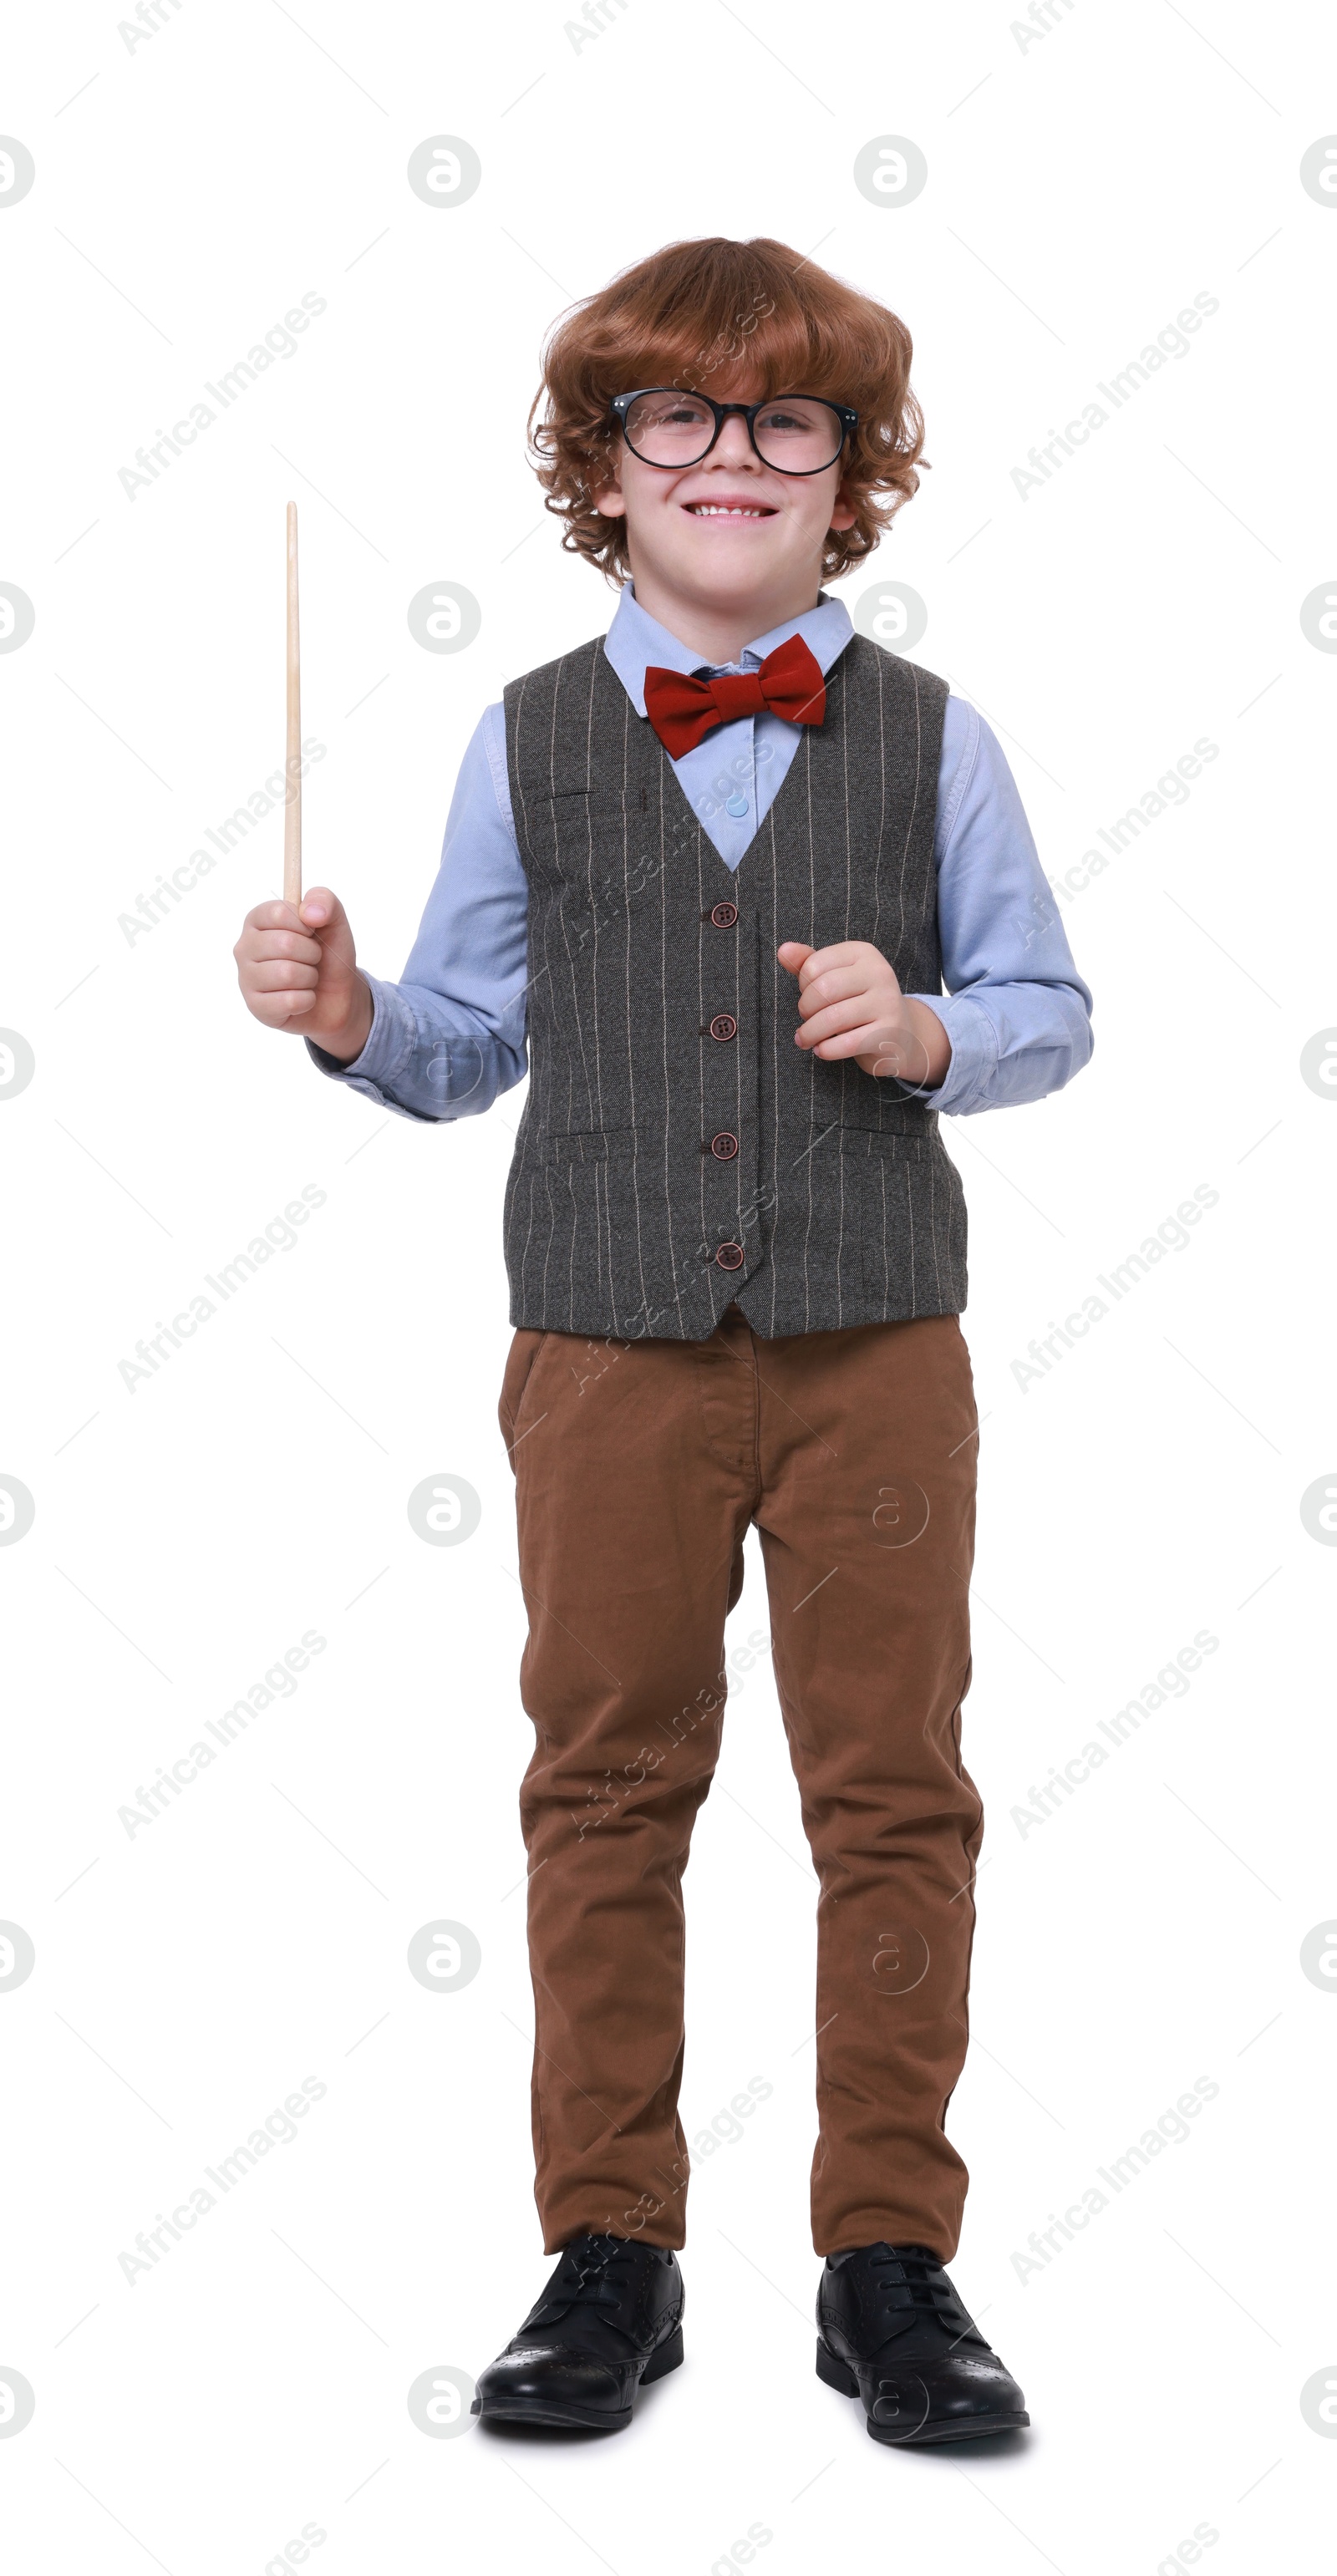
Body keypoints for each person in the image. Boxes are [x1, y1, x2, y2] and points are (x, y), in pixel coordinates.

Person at [233, 235, 1092, 2448]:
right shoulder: (526, 741)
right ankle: (609, 2241)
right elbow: (458, 1045)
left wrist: (924, 1030)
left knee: (894, 1790)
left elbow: (1050, 1012)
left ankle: (887, 2254)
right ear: (604, 476)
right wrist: (349, 1019)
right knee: (605, 1783)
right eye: (677, 420)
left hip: (876, 1335)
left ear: (852, 477)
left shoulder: (937, 736)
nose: (731, 456)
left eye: (784, 420)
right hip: (603, 1344)